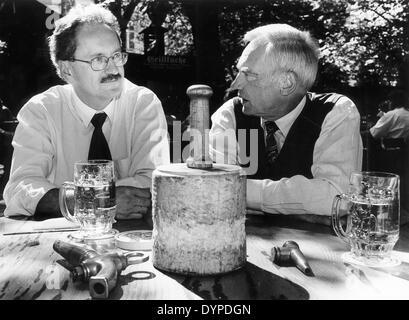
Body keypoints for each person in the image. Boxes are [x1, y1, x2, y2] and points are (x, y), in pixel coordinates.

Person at [3, 4, 170, 219]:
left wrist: (70, 198)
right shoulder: (41, 111)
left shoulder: (142, 103)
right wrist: (99, 201)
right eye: (98, 60)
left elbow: (154, 183)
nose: (113, 69)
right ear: (66, 69)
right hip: (58, 239)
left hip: (131, 239)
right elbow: (21, 188)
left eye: (117, 56)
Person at [209, 24, 362, 222]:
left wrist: (241, 193)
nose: (235, 84)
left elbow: (337, 197)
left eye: (248, 74)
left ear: (286, 83)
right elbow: (213, 191)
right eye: (239, 72)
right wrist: (304, 208)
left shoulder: (336, 112)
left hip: (317, 249)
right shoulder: (231, 112)